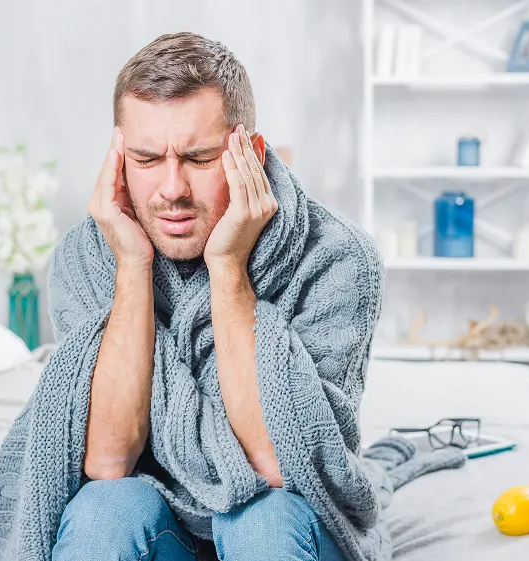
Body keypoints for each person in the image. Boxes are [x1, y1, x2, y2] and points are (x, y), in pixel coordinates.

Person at [51, 31, 355, 561]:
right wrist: (132, 266)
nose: (172, 189)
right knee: (102, 511)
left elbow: (280, 465)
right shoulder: (87, 259)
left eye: (198, 157)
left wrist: (228, 267)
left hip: (289, 515)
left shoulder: (335, 258)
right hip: (159, 521)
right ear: (119, 161)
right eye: (146, 160)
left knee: (262, 521)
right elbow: (107, 460)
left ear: (251, 156)